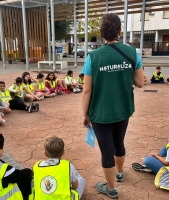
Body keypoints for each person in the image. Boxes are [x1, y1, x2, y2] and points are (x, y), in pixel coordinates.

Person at [82, 13, 144, 199]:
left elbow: (87, 91)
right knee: (119, 143)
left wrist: (84, 114)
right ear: (119, 31)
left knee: (106, 150)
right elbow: (140, 82)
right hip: (123, 109)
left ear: (102, 33)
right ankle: (119, 172)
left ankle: (111, 188)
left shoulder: (93, 56)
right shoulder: (132, 52)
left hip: (100, 113)